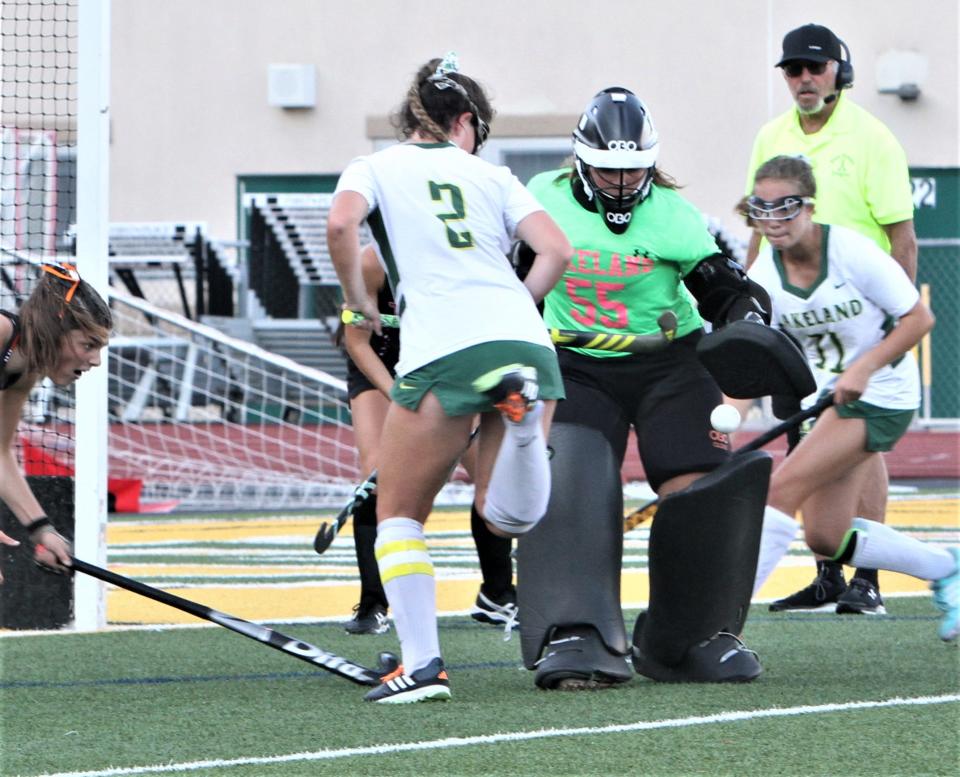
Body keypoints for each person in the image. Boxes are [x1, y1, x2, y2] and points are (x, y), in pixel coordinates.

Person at [327, 53, 572, 703]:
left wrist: (358, 299)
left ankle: (423, 663)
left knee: (399, 514)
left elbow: (340, 224)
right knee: (504, 513)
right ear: (464, 121)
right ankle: (522, 435)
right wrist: (515, 302)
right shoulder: (493, 176)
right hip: (523, 336)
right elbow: (558, 251)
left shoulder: (373, 166)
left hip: (443, 343)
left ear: (416, 115)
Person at [516, 87, 775, 690]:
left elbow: (722, 288)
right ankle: (575, 630)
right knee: (573, 477)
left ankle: (688, 635)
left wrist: (745, 317)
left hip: (668, 361)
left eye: (634, 167)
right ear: (581, 160)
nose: (623, 179)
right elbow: (505, 272)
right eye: (609, 168)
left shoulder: (673, 215)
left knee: (699, 484)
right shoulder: (539, 201)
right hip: (575, 360)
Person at [744, 23, 919, 614]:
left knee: (849, 452)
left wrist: (887, 343)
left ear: (838, 72)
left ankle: (865, 579)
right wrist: (748, 314)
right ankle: (828, 572)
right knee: (813, 458)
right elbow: (757, 235)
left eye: (815, 68)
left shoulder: (873, 138)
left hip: (860, 319)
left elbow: (902, 238)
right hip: (801, 322)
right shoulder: (771, 136)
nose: (803, 79)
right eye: (793, 70)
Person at [746, 155, 958, 642]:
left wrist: (863, 366)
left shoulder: (853, 252)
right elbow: (756, 354)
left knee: (781, 490)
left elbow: (918, 319)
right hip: (827, 397)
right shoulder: (764, 274)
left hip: (882, 391)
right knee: (826, 535)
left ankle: (716, 627)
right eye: (763, 209)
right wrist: (718, 423)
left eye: (786, 208)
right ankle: (946, 567)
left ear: (810, 207)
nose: (774, 220)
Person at [340, 244, 520, 636]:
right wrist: (399, 397)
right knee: (379, 474)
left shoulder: (466, 256)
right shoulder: (373, 262)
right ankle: (374, 601)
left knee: (493, 477)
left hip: (446, 365)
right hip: (383, 363)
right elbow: (356, 341)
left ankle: (497, 594)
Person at [0, 263, 112, 582]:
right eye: (88, 345)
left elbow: (0, 453)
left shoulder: (26, 368)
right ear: (54, 330)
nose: (95, 360)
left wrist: (42, 530)